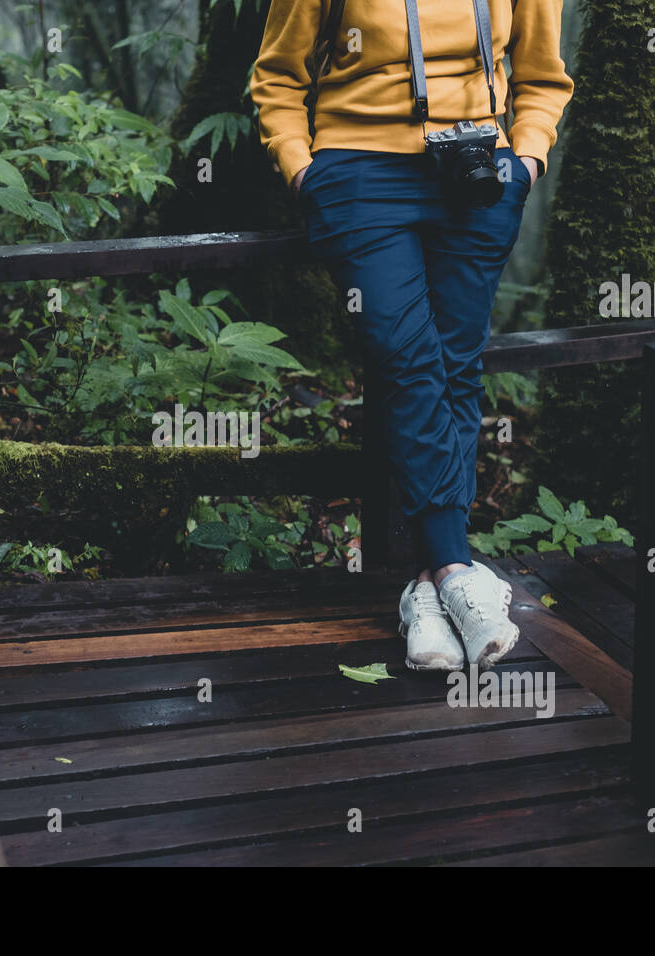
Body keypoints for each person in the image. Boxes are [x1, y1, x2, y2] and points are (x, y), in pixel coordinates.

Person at [250, 0, 574, 671]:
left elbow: (542, 76)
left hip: (481, 174)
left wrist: (529, 162)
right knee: (405, 355)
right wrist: (303, 169)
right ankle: (456, 567)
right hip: (358, 176)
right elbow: (278, 76)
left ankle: (426, 594)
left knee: (456, 364)